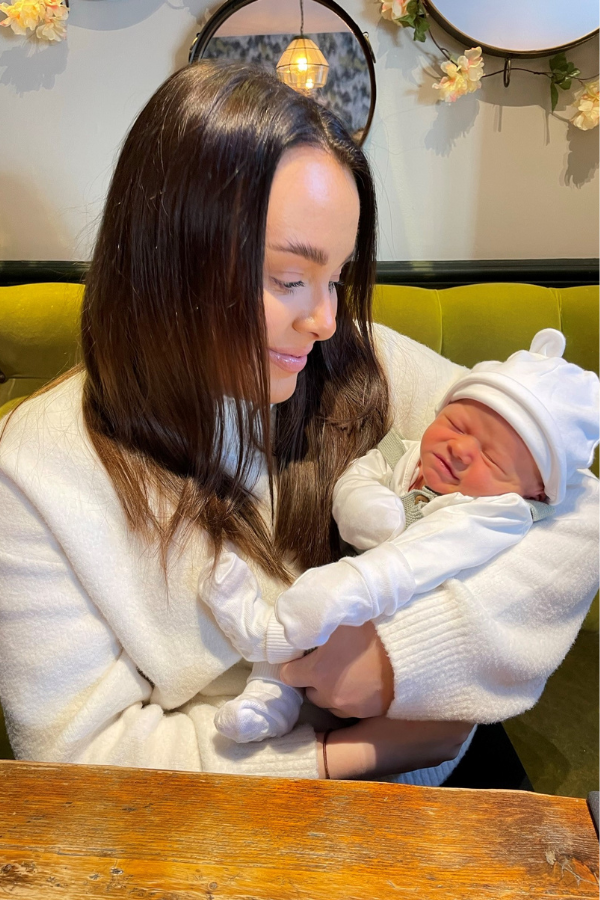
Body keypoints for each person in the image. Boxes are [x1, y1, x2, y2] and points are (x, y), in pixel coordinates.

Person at [0, 61, 597, 785]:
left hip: (438, 799)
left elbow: (573, 508)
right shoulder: (41, 466)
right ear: (168, 257)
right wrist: (352, 752)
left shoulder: (358, 362)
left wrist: (401, 662)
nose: (322, 320)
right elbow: (76, 761)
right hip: (225, 832)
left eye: (337, 279)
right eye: (288, 279)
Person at [203, 328, 600, 744]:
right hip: (353, 581)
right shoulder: (407, 451)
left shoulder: (497, 514)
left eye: (493, 458)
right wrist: (365, 504)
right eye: (457, 423)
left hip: (399, 606)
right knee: (306, 623)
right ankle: (269, 700)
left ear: (533, 491)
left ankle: (257, 631)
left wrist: (352, 583)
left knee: (310, 612)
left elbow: (418, 559)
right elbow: (363, 470)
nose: (462, 449)